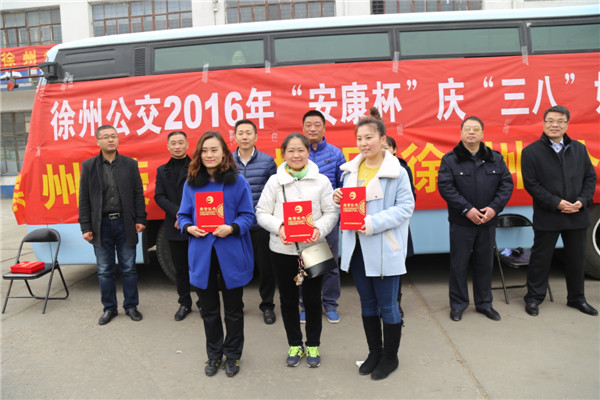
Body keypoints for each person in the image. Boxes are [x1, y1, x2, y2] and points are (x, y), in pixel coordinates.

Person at [333, 107, 414, 380]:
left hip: (383, 246)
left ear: (382, 139)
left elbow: (405, 208)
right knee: (367, 303)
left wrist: (372, 223)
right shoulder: (349, 172)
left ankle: (390, 357)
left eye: (369, 137)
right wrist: (338, 198)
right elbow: (350, 207)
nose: (363, 143)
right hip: (357, 248)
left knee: (388, 305)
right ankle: (374, 353)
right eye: (359, 138)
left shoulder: (397, 172)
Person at [256, 133, 338, 368]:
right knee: (288, 300)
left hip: (313, 249)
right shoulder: (275, 182)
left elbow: (331, 212)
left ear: (308, 152)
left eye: (300, 150)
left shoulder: (321, 181)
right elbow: (261, 212)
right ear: (283, 154)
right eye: (290, 151)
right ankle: (294, 343)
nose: (296, 155)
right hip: (282, 250)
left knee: (313, 300)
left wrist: (318, 230)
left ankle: (312, 344)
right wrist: (279, 227)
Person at [177, 131, 255, 377]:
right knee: (209, 310)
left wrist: (232, 227)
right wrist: (189, 227)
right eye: (205, 151)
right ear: (199, 154)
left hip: (230, 253)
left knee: (233, 309)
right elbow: (182, 216)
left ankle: (233, 355)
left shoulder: (237, 182)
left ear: (224, 153)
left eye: (214, 150)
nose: (209, 155)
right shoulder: (191, 183)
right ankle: (214, 354)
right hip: (202, 254)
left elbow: (248, 215)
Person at [521, 105, 597, 317]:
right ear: (544, 123)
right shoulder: (531, 152)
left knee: (577, 260)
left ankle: (577, 298)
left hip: (577, 214)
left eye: (560, 121)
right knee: (540, 259)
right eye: (550, 121)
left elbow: (590, 178)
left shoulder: (579, 149)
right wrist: (556, 203)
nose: (555, 125)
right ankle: (534, 298)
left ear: (567, 124)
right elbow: (532, 185)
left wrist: (582, 201)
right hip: (548, 215)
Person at [437, 116, 513, 322]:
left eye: (476, 129)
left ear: (482, 134)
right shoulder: (450, 159)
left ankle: (484, 304)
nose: (471, 132)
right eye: (467, 129)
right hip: (461, 222)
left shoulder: (495, 158)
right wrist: (467, 209)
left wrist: (494, 208)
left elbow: (506, 185)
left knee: (485, 264)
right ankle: (458, 305)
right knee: (459, 265)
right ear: (461, 133)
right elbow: (446, 187)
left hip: (487, 221)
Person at [79, 124, 147, 326]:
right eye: (106, 137)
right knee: (104, 270)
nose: (110, 139)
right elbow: (84, 198)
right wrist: (86, 227)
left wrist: (140, 219)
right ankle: (109, 308)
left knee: (128, 268)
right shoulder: (89, 166)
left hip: (125, 223)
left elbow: (138, 193)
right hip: (101, 225)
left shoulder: (129, 164)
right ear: (98, 141)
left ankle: (131, 306)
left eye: (113, 136)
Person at [302, 109, 346, 324]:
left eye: (317, 125)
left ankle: (330, 304)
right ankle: (305, 304)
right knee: (304, 263)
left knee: (330, 263)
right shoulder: (298, 152)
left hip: (329, 219)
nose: (312, 129)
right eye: (308, 125)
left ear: (324, 128)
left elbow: (343, 186)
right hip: (303, 219)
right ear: (303, 128)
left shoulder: (336, 154)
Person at [232, 119, 278, 325]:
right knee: (236, 267)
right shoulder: (227, 162)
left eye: (248, 133)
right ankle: (236, 305)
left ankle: (267, 305)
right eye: (240, 133)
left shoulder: (267, 161)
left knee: (266, 269)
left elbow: (274, 193)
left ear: (256, 137)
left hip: (260, 225)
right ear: (235, 136)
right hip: (236, 226)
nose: (244, 136)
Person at [155, 131, 200, 321]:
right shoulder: (162, 170)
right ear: (168, 147)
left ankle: (203, 301)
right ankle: (184, 302)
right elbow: (159, 196)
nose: (177, 146)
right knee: (180, 268)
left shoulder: (198, 167)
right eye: (173, 143)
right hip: (174, 225)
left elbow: (203, 194)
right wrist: (178, 214)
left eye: (181, 142)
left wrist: (187, 216)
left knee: (199, 266)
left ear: (187, 145)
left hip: (197, 224)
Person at [383, 136, 416, 317]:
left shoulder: (402, 169)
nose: (383, 151)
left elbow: (410, 198)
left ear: (395, 150)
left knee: (396, 264)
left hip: (395, 225)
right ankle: (382, 302)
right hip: (374, 226)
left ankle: (396, 302)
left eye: (387, 147)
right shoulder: (366, 168)